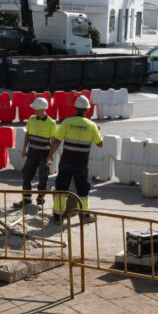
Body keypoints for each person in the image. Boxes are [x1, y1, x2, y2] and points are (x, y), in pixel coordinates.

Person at [47, 95, 103, 223]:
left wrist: (50, 155)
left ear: (75, 108)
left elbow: (56, 141)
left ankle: (57, 217)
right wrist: (97, 130)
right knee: (83, 190)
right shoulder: (91, 125)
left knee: (62, 188)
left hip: (66, 161)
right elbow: (100, 144)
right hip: (81, 164)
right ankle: (84, 216)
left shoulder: (67, 122)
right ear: (87, 110)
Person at [12, 97, 56, 210]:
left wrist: (50, 156)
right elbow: (27, 135)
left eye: (37, 109)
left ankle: (40, 203)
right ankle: (26, 200)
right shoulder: (31, 119)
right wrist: (24, 149)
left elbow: (53, 141)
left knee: (43, 179)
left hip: (44, 155)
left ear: (42, 110)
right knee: (26, 176)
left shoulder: (51, 123)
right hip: (31, 153)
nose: (35, 111)